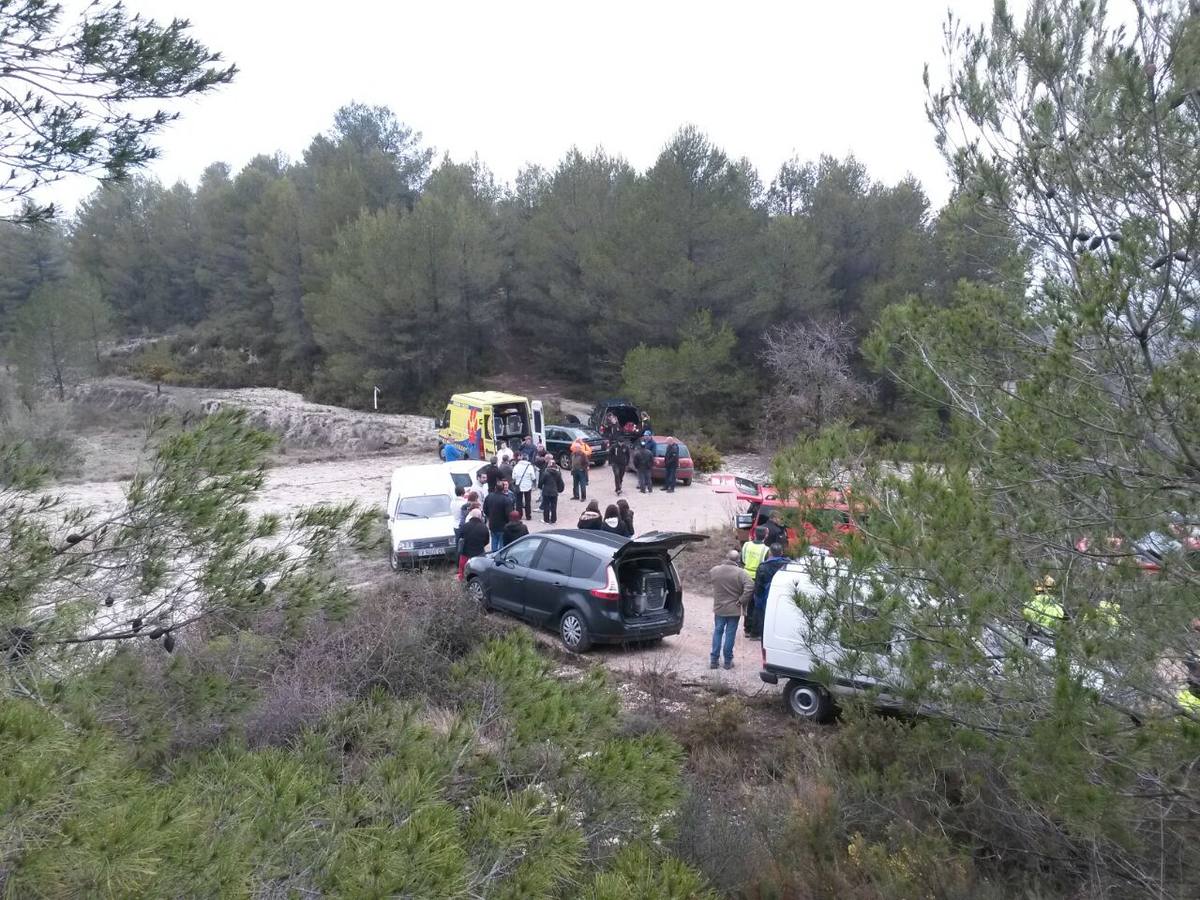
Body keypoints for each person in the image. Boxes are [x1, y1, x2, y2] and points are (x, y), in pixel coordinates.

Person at [710, 550, 753, 669]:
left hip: (719, 608)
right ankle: (728, 661)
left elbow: (712, 580)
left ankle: (714, 660)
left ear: (726, 557)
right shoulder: (741, 573)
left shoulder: (715, 570)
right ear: (738, 560)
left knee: (718, 632)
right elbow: (750, 587)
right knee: (730, 634)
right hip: (734, 607)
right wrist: (742, 600)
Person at [749, 544, 789, 639]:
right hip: (782, 594)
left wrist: (757, 597)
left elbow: (758, 584)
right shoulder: (787, 565)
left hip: (765, 595)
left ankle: (756, 633)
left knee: (759, 612)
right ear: (781, 553)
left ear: (770, 553)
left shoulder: (763, 567)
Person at [483, 480, 515, 552]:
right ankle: (500, 558)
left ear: (495, 487)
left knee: (494, 542)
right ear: (503, 488)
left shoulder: (489, 497)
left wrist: (490, 516)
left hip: (492, 524)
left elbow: (484, 509)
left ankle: (494, 556)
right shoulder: (506, 499)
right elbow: (509, 514)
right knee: (502, 545)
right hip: (503, 525)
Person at [458, 508, 490, 580]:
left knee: (462, 572)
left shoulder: (464, 526)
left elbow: (460, 538)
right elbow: (487, 541)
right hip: (479, 553)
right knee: (479, 573)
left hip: (465, 554)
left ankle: (462, 586)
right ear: (480, 516)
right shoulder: (484, 527)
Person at [511, 453, 538, 520]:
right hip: (528, 486)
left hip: (519, 486)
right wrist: (534, 484)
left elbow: (513, 477)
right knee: (527, 502)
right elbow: (533, 477)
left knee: (518, 502)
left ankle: (519, 516)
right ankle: (528, 516)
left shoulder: (516, 466)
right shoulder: (530, 467)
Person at [539, 460, 564, 524]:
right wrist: (559, 490)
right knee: (554, 506)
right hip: (554, 492)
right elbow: (560, 483)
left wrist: (540, 487)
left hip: (546, 491)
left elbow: (541, 482)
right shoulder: (558, 473)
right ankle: (553, 520)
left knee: (546, 506)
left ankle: (546, 520)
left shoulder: (545, 473)